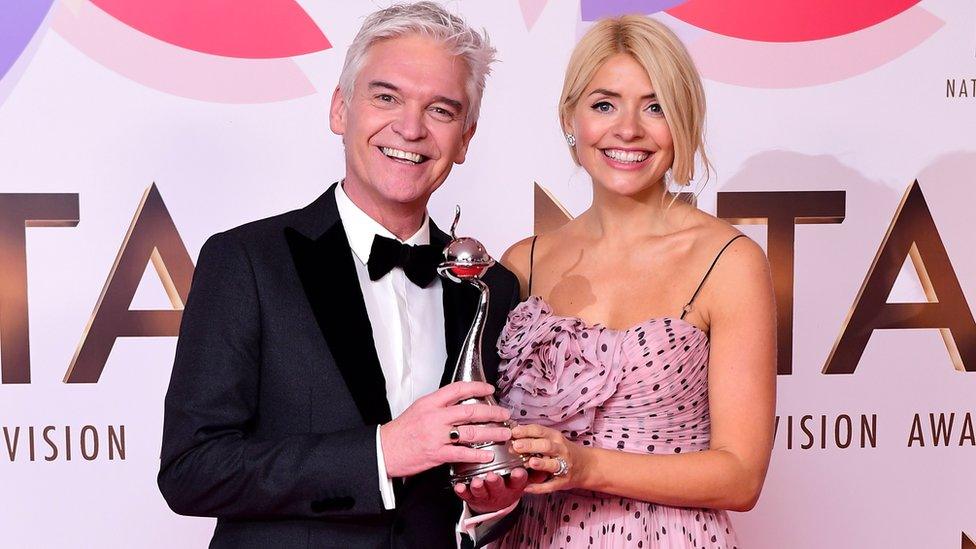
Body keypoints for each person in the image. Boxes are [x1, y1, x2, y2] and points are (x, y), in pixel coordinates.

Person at [157, 3, 527, 548]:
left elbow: (476, 486)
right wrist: (380, 453)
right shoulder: (246, 262)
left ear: (466, 138)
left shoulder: (489, 286)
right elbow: (191, 470)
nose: (410, 127)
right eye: (386, 97)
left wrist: (493, 504)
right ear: (339, 109)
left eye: (441, 111)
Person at [492, 15, 777, 548]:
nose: (628, 129)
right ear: (570, 117)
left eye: (655, 106)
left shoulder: (727, 261)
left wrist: (585, 466)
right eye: (604, 104)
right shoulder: (522, 263)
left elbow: (741, 476)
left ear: (683, 120)